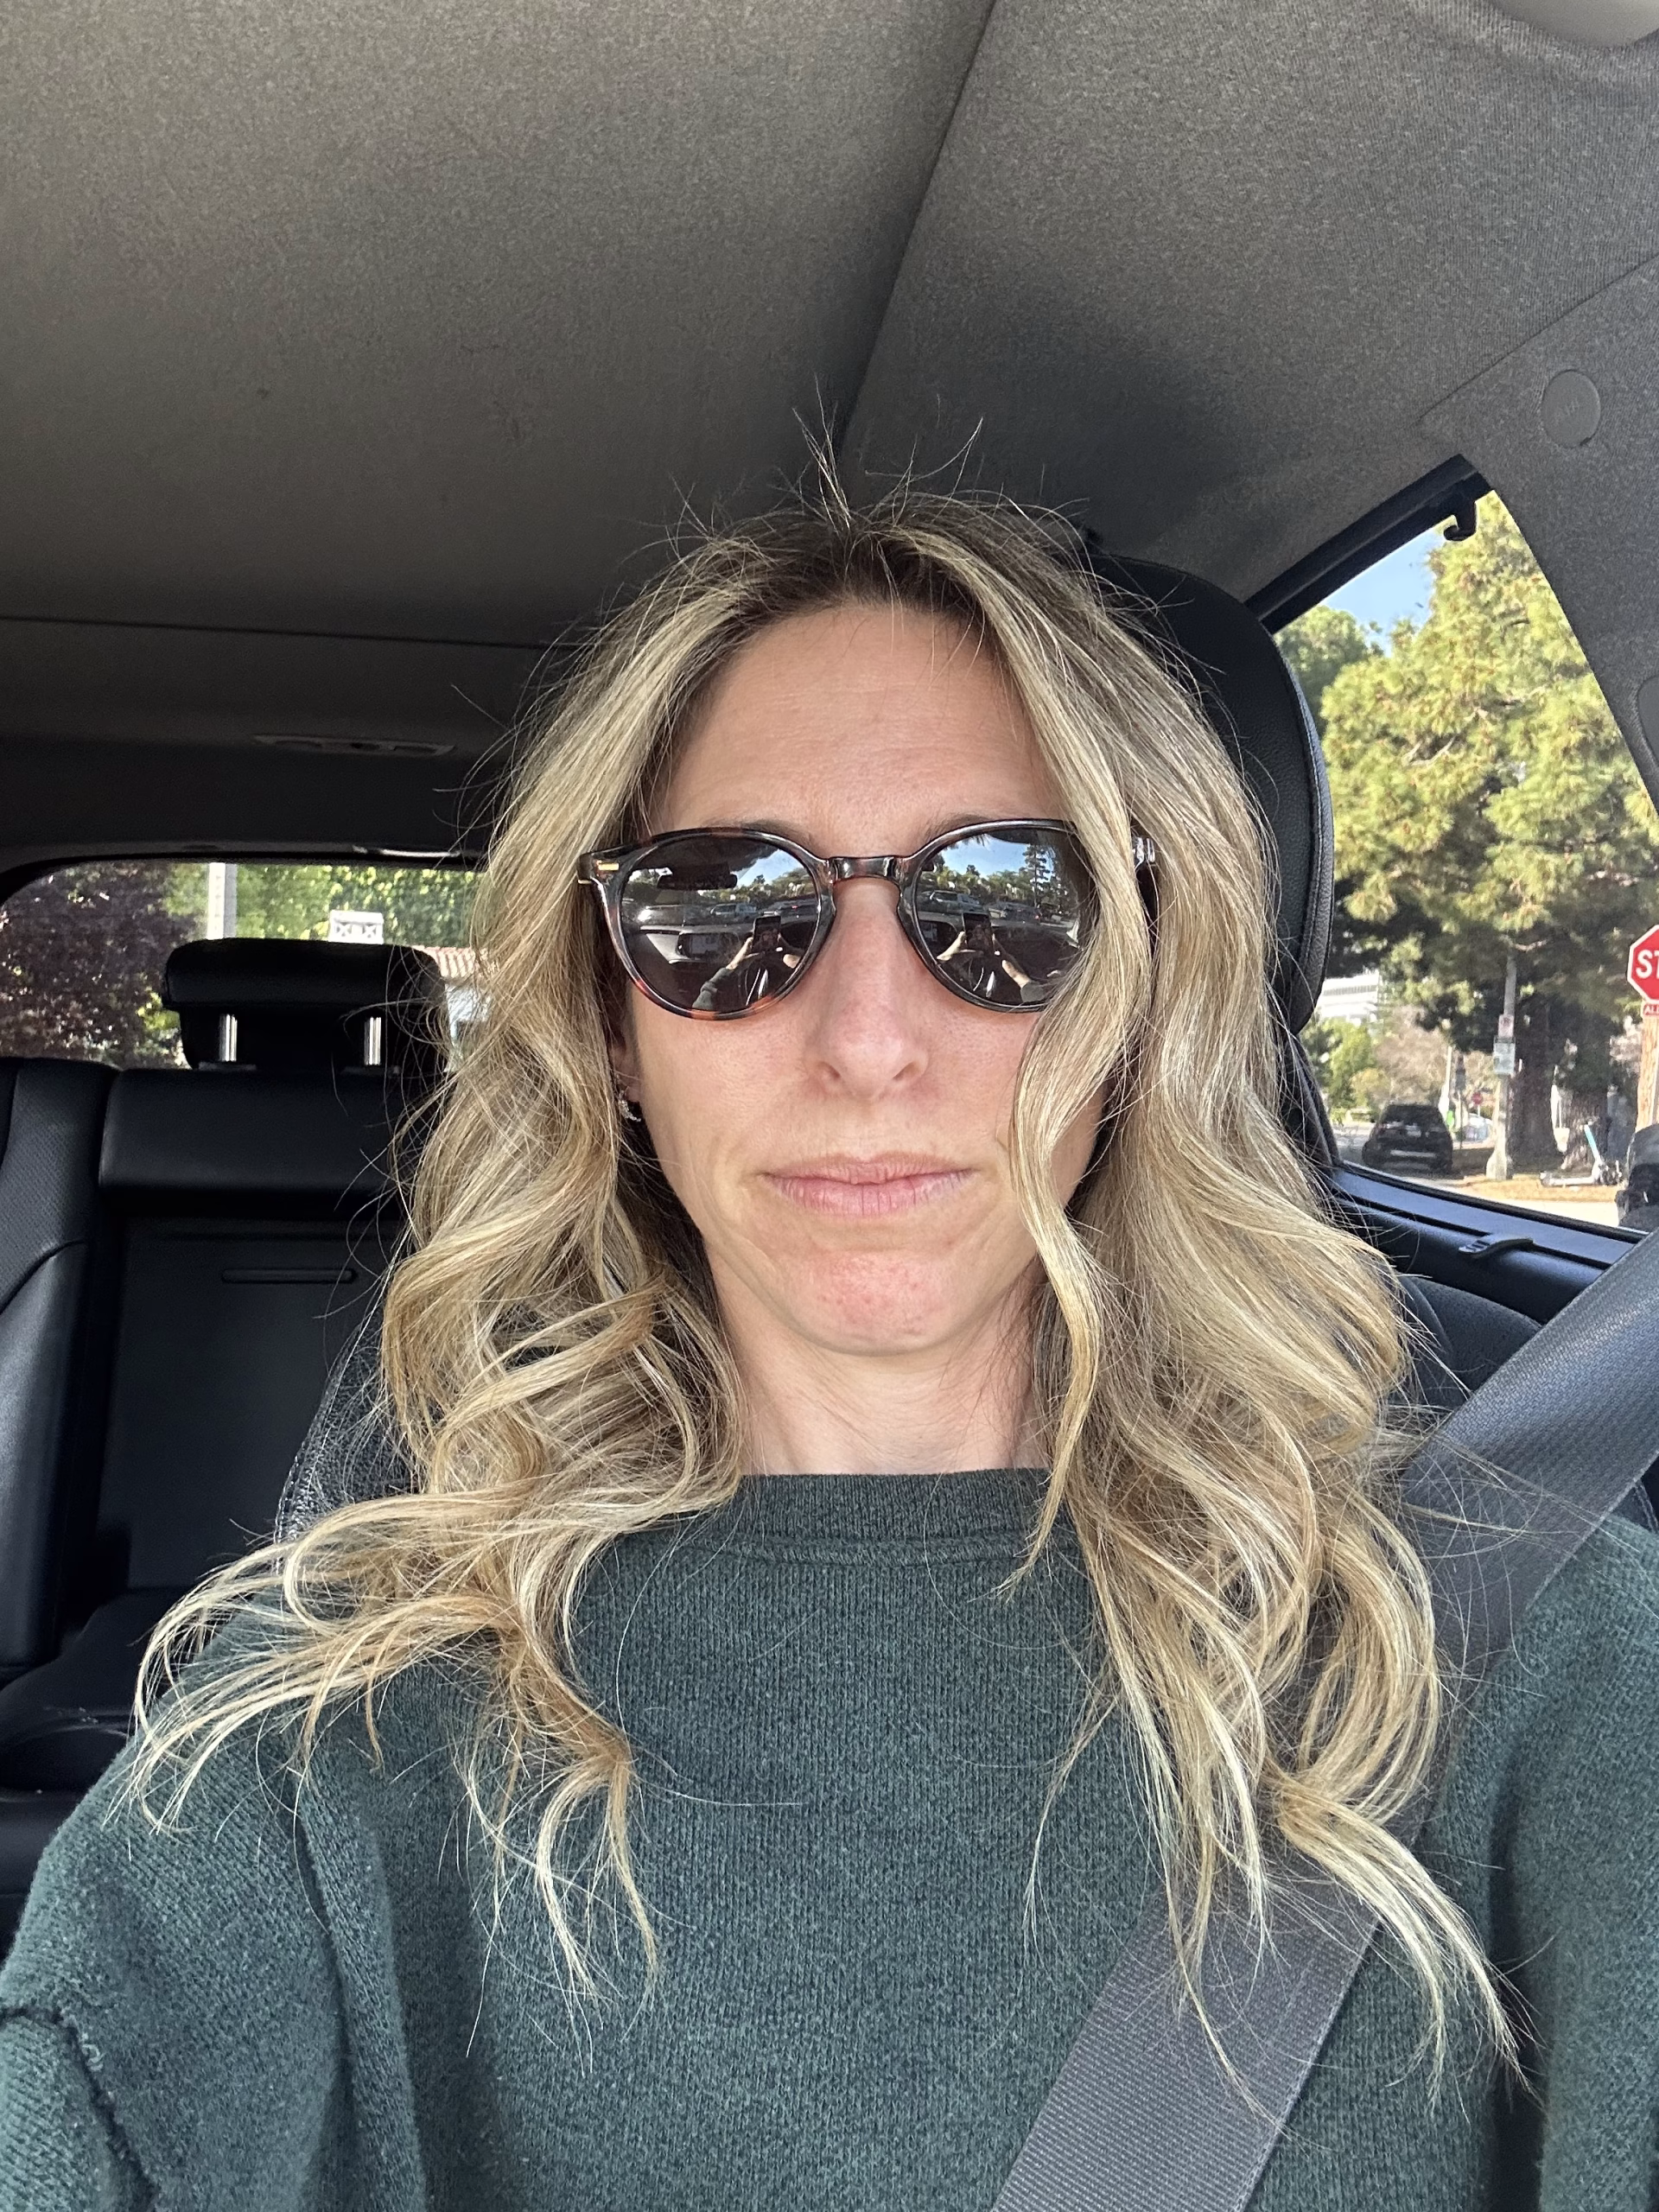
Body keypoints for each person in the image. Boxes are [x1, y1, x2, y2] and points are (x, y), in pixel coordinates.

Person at [2, 479, 1657, 2209]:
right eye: (726, 910)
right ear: (612, 1012)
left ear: (1141, 992)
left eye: (1006, 903)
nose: (868, 1040)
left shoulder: (1510, 1659)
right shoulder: (319, 1760)